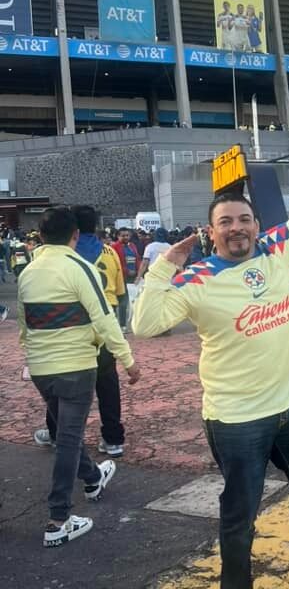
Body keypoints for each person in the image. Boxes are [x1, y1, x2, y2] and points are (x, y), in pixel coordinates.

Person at [132, 149, 289, 589]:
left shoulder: (277, 248)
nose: (237, 228)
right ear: (211, 232)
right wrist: (162, 267)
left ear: (255, 224)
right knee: (240, 516)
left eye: (244, 219)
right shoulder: (197, 279)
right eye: (226, 222)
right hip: (236, 420)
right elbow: (144, 324)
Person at [17, 207, 140, 547]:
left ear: (40, 237)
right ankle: (59, 519)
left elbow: (24, 322)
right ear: (74, 236)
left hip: (42, 369)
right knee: (68, 440)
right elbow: (104, 318)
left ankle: (92, 477)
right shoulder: (79, 267)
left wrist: (32, 357)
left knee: (67, 432)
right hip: (76, 366)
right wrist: (128, 361)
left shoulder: (28, 272)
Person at [34, 206, 129, 456]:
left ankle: (56, 434)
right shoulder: (109, 252)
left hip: (72, 330)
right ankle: (113, 439)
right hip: (105, 330)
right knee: (108, 385)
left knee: (63, 385)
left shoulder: (65, 256)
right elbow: (120, 293)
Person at [111, 228, 140, 330]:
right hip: (121, 277)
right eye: (123, 235)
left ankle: (135, 324)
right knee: (123, 302)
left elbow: (137, 259)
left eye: (127, 235)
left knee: (135, 301)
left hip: (134, 278)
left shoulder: (132, 246)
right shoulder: (114, 247)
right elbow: (115, 262)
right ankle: (122, 325)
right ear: (118, 236)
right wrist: (126, 271)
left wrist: (138, 272)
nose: (125, 237)